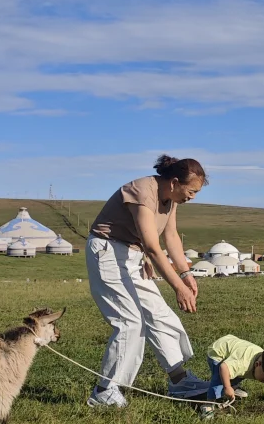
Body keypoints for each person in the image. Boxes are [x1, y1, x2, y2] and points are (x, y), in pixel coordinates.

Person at [85, 154, 207, 408]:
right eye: (191, 191)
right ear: (174, 182)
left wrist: (186, 274)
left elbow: (170, 237)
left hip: (132, 255)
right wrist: (178, 288)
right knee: (129, 322)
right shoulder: (143, 192)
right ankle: (104, 391)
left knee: (158, 313)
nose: (193, 197)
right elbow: (152, 246)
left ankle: (179, 380)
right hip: (107, 253)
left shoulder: (171, 199)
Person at [167, 334, 264, 409]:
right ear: (258, 364)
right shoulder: (243, 364)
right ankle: (208, 404)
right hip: (218, 353)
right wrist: (226, 387)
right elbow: (224, 367)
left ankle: (233, 386)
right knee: (219, 381)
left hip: (233, 348)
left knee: (235, 374)